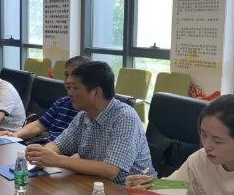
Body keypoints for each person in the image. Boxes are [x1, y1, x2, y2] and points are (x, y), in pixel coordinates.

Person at [25, 61, 154, 185]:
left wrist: (57, 160)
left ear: (96, 92)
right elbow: (59, 145)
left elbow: (110, 170)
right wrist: (42, 154)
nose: (69, 93)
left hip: (132, 191)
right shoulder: (83, 115)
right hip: (94, 184)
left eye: (75, 88)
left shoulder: (125, 117)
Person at [0, 56, 90, 143]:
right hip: (49, 150)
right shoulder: (62, 103)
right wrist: (15, 135)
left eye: (74, 76)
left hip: (62, 155)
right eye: (66, 75)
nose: (68, 80)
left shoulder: (90, 111)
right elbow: (38, 125)